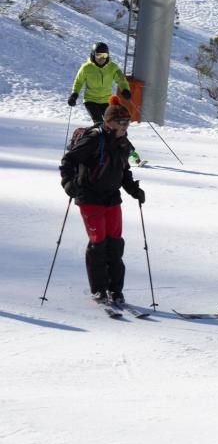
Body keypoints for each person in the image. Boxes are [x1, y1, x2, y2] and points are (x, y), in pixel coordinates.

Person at [59, 100, 145, 305]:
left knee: (115, 243)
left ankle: (116, 290)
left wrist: (133, 190)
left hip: (112, 197)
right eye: (121, 123)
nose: (125, 126)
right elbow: (68, 160)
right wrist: (68, 183)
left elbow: (123, 170)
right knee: (99, 241)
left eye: (127, 123)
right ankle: (99, 288)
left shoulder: (124, 143)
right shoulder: (93, 140)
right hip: (89, 196)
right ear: (109, 124)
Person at [67, 42, 143, 165]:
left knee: (117, 126)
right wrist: (74, 94)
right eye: (98, 55)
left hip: (106, 101)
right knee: (99, 125)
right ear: (93, 55)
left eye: (104, 55)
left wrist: (125, 90)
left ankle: (131, 154)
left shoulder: (112, 67)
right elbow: (78, 81)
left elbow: (121, 79)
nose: (102, 58)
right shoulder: (86, 68)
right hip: (91, 100)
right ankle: (92, 150)